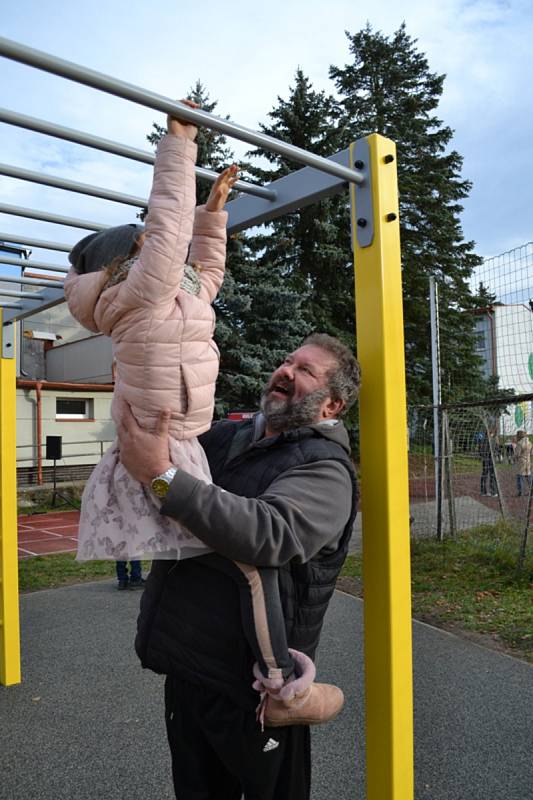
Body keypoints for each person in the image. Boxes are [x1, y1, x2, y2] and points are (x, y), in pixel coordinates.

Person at [64, 104, 340, 729]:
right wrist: (180, 144)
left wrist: (213, 213)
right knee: (247, 566)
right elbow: (163, 230)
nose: (172, 258)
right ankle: (282, 685)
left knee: (231, 563)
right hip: (164, 443)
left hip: (178, 439)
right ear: (127, 261)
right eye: (151, 250)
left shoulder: (180, 294)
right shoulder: (141, 291)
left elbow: (207, 268)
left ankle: (265, 680)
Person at [117, 333, 361, 800]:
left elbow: (268, 534)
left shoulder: (326, 469)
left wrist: (162, 477)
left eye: (306, 370)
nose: (286, 370)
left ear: (332, 406)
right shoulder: (225, 438)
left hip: (258, 690)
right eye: (287, 360)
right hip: (187, 665)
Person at [479, 428, 498, 497]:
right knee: (491, 475)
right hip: (489, 460)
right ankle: (493, 491)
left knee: (485, 474)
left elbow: (480, 451)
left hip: (486, 460)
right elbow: (496, 450)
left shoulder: (483, 440)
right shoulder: (492, 440)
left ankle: (484, 491)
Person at [514, 430, 532, 496]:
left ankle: (520, 492)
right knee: (528, 476)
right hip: (528, 460)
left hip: (521, 461)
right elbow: (531, 453)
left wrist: (514, 458)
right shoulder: (529, 442)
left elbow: (517, 454)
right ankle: (531, 490)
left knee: (520, 476)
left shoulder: (519, 443)